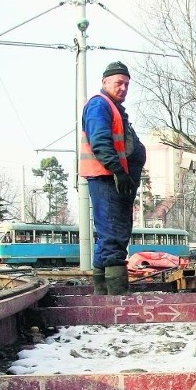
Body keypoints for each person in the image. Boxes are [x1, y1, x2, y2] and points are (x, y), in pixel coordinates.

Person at [80, 61, 147, 295]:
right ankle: (116, 298)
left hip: (113, 179)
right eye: (119, 83)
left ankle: (102, 294)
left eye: (127, 84)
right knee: (114, 235)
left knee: (108, 237)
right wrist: (119, 170)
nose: (123, 88)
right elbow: (100, 140)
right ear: (105, 82)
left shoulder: (114, 108)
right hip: (108, 178)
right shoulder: (100, 105)